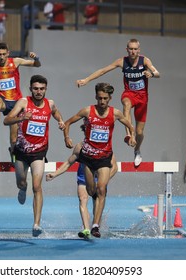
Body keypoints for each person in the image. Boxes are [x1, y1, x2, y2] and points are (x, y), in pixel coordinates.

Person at [62, 82, 135, 238]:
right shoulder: (88, 111)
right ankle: (92, 221)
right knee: (91, 191)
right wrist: (67, 138)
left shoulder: (115, 113)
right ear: (96, 96)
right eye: (100, 98)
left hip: (104, 158)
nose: (102, 102)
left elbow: (129, 124)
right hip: (88, 158)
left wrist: (131, 137)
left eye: (105, 99)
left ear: (110, 98)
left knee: (101, 189)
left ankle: (95, 226)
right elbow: (67, 122)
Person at [76, 38, 160, 167]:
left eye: (135, 49)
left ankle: (137, 150)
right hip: (129, 94)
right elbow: (103, 70)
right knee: (126, 104)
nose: (133, 51)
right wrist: (86, 80)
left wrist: (152, 74)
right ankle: (128, 134)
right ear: (127, 50)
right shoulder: (122, 61)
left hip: (143, 98)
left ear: (139, 50)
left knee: (140, 132)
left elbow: (157, 72)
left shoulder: (145, 61)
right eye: (130, 49)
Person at [3, 75, 65, 237]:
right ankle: (22, 188)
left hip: (39, 152)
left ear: (46, 89)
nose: (39, 92)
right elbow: (6, 120)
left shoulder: (50, 104)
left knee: (37, 186)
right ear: (31, 88)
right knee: (22, 182)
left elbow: (56, 113)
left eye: (42, 89)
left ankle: (36, 223)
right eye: (36, 88)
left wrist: (60, 121)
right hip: (22, 151)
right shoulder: (24, 102)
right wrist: (22, 117)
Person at [46, 125, 118, 239]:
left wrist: (104, 181)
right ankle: (86, 229)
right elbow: (69, 162)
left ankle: (96, 226)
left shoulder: (106, 147)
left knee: (96, 206)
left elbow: (114, 167)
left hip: (98, 179)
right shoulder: (80, 147)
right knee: (82, 199)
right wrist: (55, 174)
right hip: (83, 178)